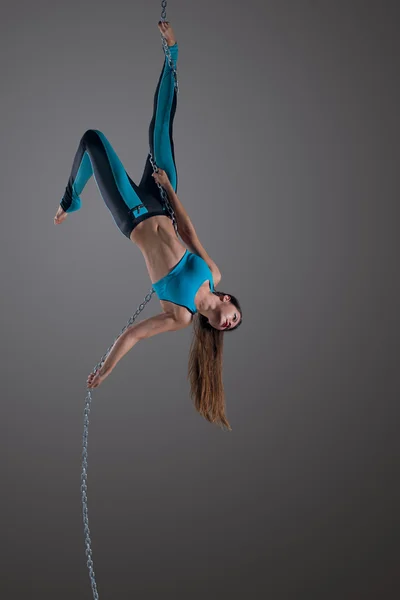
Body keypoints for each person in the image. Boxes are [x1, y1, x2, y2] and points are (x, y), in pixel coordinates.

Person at [54, 21, 242, 430]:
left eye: (231, 326)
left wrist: (104, 370)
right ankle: (172, 52)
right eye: (235, 314)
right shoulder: (212, 274)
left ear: (216, 326)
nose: (231, 320)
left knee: (92, 139)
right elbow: (189, 232)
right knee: (161, 127)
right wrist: (166, 189)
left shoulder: (180, 317)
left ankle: (71, 198)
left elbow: (134, 336)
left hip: (134, 216)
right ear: (228, 299)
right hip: (163, 202)